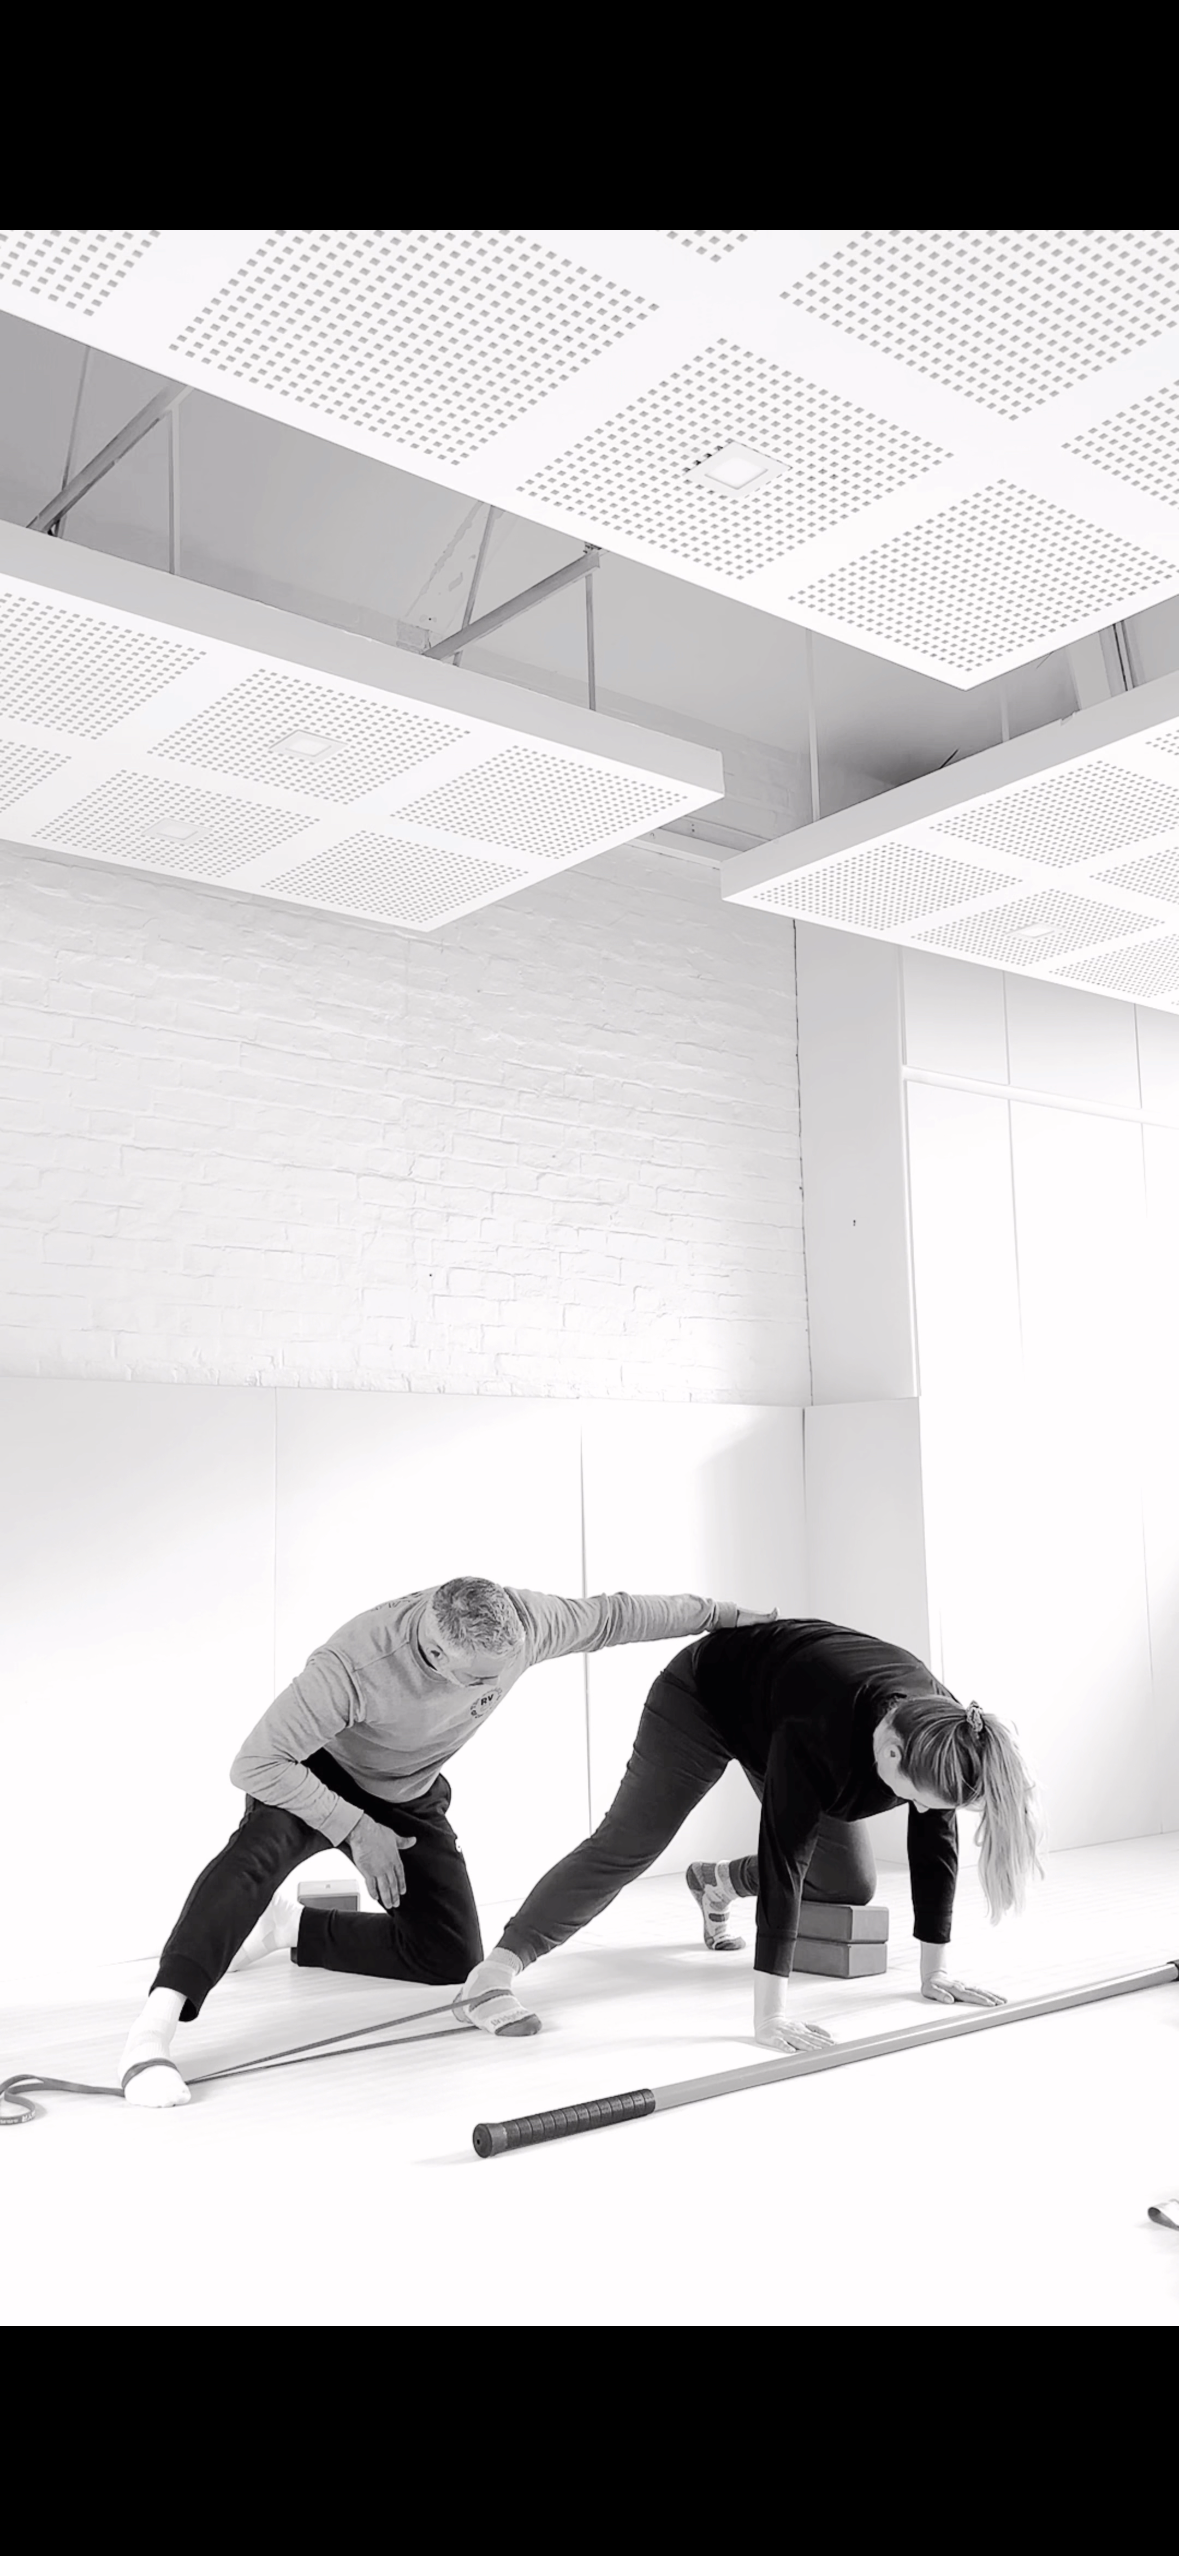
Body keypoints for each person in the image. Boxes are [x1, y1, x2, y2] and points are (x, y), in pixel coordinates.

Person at [117, 1577, 776, 2107]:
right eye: (478, 1678)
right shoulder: (353, 1664)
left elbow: (615, 1616)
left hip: (406, 1791)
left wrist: (725, 1615)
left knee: (446, 1955)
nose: (493, 1686)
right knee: (251, 1859)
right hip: (313, 1773)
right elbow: (255, 1763)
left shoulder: (526, 1622)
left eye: (501, 1672)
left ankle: (291, 1929)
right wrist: (357, 1829)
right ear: (433, 1653)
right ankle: (150, 2037)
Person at [457, 1617, 1044, 2050]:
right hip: (703, 1696)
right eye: (912, 1796)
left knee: (848, 1882)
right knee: (629, 1843)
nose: (915, 1809)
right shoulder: (824, 1731)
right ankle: (496, 1969)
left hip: (780, 1704)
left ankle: (717, 1883)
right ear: (891, 1753)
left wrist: (935, 1971)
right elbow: (786, 1856)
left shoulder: (943, 1736)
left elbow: (935, 1845)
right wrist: (769, 2015)